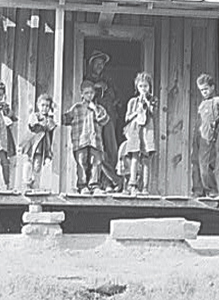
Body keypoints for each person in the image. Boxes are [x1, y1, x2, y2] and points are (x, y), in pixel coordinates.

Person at [84, 50, 123, 193]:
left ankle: (108, 183)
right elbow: (84, 93)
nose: (100, 66)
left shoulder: (108, 80)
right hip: (93, 119)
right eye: (97, 63)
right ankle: (96, 183)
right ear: (91, 64)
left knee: (111, 149)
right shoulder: (86, 78)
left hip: (109, 117)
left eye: (102, 64)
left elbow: (116, 98)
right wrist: (95, 87)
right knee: (97, 150)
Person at [62, 80, 109, 195]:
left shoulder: (99, 108)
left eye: (91, 93)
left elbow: (104, 120)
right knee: (81, 162)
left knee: (96, 162)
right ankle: (82, 186)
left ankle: (94, 185)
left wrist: (95, 109)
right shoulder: (76, 108)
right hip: (80, 140)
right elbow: (65, 119)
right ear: (82, 94)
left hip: (95, 141)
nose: (89, 95)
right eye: (86, 93)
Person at [123, 72, 157, 195]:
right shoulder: (132, 101)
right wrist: (136, 111)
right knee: (134, 157)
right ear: (137, 87)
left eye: (146, 86)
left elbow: (153, 113)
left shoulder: (152, 99)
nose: (143, 89)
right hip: (135, 131)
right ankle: (132, 185)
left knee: (146, 159)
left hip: (147, 131)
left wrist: (146, 102)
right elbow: (126, 118)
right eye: (141, 86)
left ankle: (145, 187)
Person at [19, 94, 57, 190]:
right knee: (28, 162)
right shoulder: (35, 116)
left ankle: (35, 185)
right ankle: (27, 182)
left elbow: (51, 127)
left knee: (37, 165)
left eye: (47, 106)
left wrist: (54, 111)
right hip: (32, 144)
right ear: (38, 105)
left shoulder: (49, 119)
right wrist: (39, 121)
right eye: (42, 105)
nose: (45, 108)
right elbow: (32, 125)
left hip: (41, 146)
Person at [191, 74, 219, 197]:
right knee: (195, 162)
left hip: (208, 136)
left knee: (205, 164)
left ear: (212, 87)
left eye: (206, 89)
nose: (204, 92)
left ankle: (211, 190)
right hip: (198, 135)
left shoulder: (217, 101)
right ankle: (198, 190)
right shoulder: (202, 104)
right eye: (202, 90)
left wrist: (215, 130)